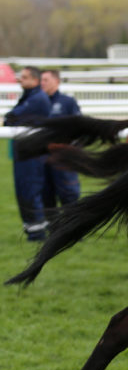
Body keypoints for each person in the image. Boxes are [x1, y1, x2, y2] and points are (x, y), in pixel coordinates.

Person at [4, 66, 52, 241]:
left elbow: (11, 118)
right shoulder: (29, 97)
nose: (20, 80)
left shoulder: (38, 99)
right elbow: (11, 118)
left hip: (32, 154)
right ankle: (33, 231)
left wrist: (9, 119)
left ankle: (37, 233)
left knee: (30, 190)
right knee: (24, 190)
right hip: (24, 152)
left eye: (24, 77)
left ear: (35, 80)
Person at [40, 69, 81, 212]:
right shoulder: (38, 103)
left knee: (69, 197)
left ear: (57, 81)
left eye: (46, 80)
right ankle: (52, 233)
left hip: (63, 160)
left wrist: (73, 154)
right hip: (42, 159)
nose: (42, 83)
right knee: (46, 199)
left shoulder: (67, 102)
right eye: (41, 80)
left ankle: (73, 232)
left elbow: (79, 129)